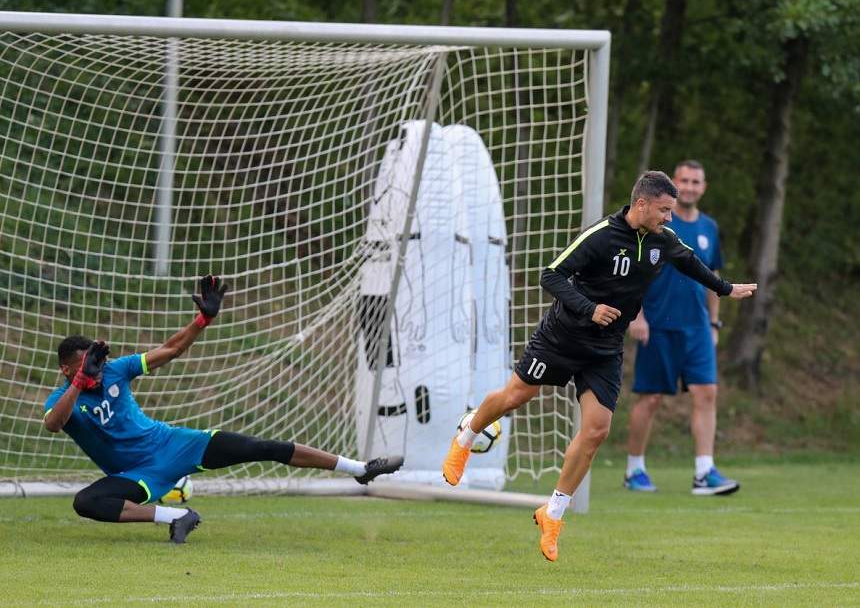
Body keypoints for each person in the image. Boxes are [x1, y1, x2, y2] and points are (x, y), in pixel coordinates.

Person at [441, 171, 756, 562]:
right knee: (515, 397)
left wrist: (725, 289)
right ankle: (466, 436)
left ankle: (552, 513)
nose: (669, 219)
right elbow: (551, 275)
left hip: (605, 348)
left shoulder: (662, 240)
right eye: (663, 210)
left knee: (596, 430)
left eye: (671, 212)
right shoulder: (602, 235)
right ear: (641, 204)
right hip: (562, 336)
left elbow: (690, 263)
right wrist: (589, 309)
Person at [44, 275, 403, 544]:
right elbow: (53, 425)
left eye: (98, 361)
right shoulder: (64, 398)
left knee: (262, 447)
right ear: (67, 370)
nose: (97, 368)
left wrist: (202, 321)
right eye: (88, 364)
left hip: (173, 444)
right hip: (137, 475)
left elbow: (170, 350)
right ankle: (176, 516)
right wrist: (79, 384)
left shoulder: (117, 369)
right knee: (86, 502)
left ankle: (360, 468)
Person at [624, 160, 738, 496]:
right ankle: (634, 469)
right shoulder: (656, 221)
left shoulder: (709, 229)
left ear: (703, 187)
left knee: (707, 393)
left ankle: (705, 472)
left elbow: (712, 278)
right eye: (684, 181)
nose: (689, 186)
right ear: (674, 184)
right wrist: (638, 316)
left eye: (695, 182)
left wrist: (714, 323)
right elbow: (635, 273)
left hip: (698, 327)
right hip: (657, 324)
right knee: (651, 398)